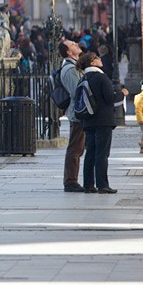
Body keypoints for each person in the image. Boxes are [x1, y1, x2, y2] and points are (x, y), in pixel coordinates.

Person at [76, 51, 128, 194]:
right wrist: (122, 93)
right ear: (92, 62)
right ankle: (103, 185)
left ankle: (88, 185)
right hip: (103, 120)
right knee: (102, 153)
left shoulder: (83, 78)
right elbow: (110, 98)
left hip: (88, 120)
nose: (99, 59)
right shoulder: (101, 77)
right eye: (96, 58)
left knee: (90, 153)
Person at [58, 39, 85, 192]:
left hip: (79, 113)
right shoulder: (69, 69)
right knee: (75, 148)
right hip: (78, 114)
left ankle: (72, 180)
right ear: (69, 52)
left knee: (78, 148)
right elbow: (78, 92)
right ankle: (70, 182)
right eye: (73, 44)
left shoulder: (74, 66)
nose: (76, 44)